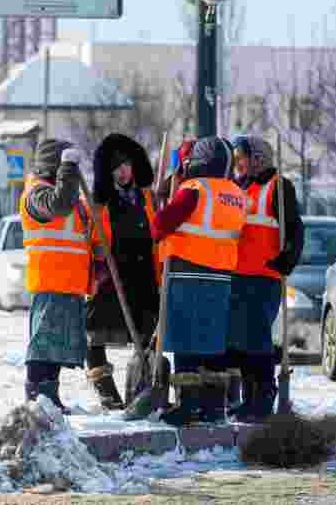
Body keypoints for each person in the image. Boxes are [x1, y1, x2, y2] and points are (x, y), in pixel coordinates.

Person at [150, 136, 246, 426]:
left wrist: (161, 206)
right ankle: (214, 406)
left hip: (188, 272)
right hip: (221, 276)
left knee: (185, 342)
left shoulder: (194, 190)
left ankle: (187, 404)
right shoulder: (236, 193)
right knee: (211, 342)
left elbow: (159, 226)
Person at [226, 134, 304, 422]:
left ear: (258, 159)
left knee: (257, 339)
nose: (237, 163)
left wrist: (286, 260)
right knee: (241, 341)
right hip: (238, 276)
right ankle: (249, 399)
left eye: (241, 157)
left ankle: (264, 396)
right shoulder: (238, 189)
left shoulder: (278, 188)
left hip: (264, 277)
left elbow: (295, 230)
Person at [86, 134, 160, 410]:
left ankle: (143, 388)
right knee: (95, 336)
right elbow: (90, 239)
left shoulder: (147, 198)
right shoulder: (98, 203)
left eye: (127, 164)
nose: (124, 171)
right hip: (111, 278)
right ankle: (106, 391)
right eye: (117, 166)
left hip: (143, 278)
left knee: (148, 338)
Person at [20, 138, 91, 411]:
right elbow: (57, 205)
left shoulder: (71, 195)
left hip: (70, 282)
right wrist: (69, 170)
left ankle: (50, 396)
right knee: (44, 344)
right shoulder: (36, 194)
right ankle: (37, 395)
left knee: (58, 347)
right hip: (49, 279)